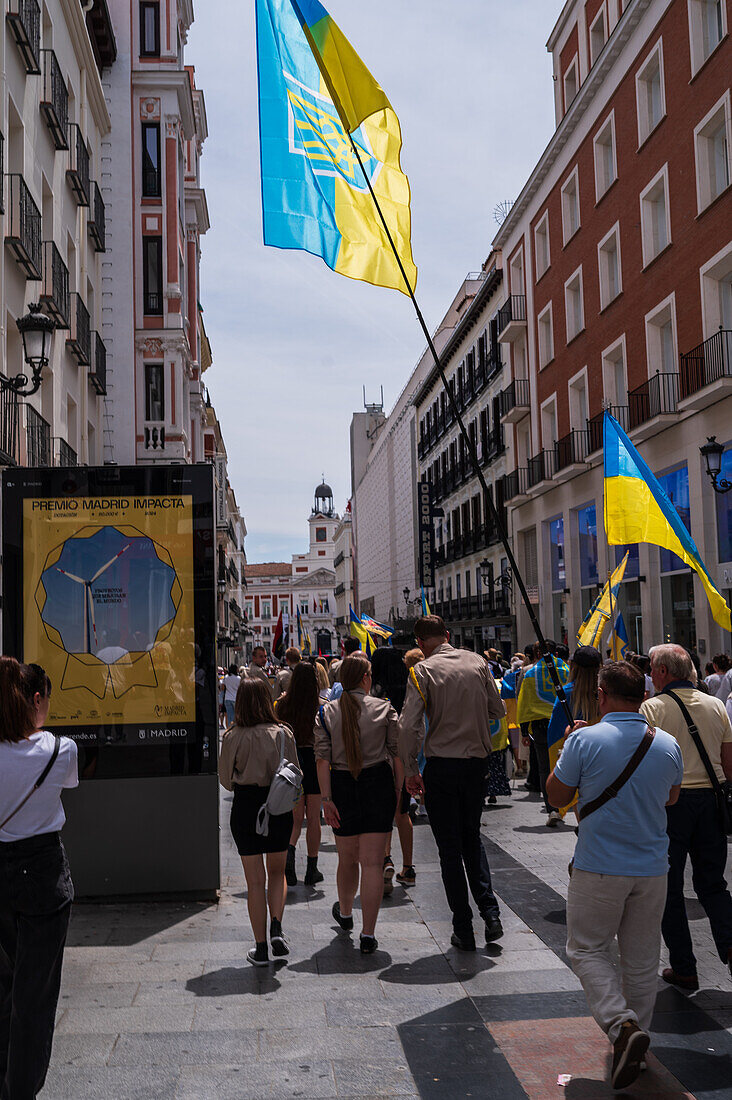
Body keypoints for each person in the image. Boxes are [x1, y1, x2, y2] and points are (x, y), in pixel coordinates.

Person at [546, 661, 683, 1091]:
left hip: (599, 866)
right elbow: (672, 798)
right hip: (652, 868)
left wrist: (569, 745)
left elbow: (556, 794)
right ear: (642, 696)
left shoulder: (584, 739)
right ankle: (634, 1049)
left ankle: (621, 1027)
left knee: (587, 949)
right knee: (642, 961)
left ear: (602, 695)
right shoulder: (667, 743)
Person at [398, 615, 505, 951]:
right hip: (476, 764)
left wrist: (411, 767)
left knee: (449, 849)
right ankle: (491, 914)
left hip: (441, 766)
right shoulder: (478, 662)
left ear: (420, 643)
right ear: (446, 635)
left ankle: (463, 926)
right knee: (472, 839)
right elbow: (498, 709)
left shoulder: (421, 672)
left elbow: (407, 726)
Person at [0, 658, 78, 1100]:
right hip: (43, 876)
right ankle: (22, 1090)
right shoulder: (58, 750)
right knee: (34, 998)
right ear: (35, 700)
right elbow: (65, 779)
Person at [640, 644, 732, 989]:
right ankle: (730, 943)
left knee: (669, 887)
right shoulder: (715, 705)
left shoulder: (652, 708)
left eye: (652, 667)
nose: (651, 673)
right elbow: (728, 764)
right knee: (713, 884)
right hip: (711, 801)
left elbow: (645, 762)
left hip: (670, 805)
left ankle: (684, 966)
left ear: (663, 672)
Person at [315, 654, 402, 954]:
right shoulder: (385, 708)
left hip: (341, 785)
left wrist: (326, 799)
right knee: (373, 863)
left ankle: (347, 914)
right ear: (366, 678)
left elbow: (322, 759)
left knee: (347, 858)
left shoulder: (327, 712)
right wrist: (399, 790)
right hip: (377, 782)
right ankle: (369, 934)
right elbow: (397, 752)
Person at [218, 678, 299, 966]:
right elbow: (295, 774)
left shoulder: (231, 736)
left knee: (254, 882)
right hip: (276, 806)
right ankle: (276, 926)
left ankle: (261, 947)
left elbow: (226, 782)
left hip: (246, 807)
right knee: (278, 874)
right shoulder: (283, 734)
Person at [276, 663, 324, 888]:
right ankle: (312, 869)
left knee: (295, 820)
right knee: (314, 819)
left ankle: (289, 861)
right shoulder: (321, 706)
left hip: (292, 763)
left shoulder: (283, 705)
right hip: (315, 762)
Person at [545, 646, 602, 823]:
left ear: (573, 666)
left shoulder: (566, 694)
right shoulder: (605, 693)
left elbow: (554, 736)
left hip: (577, 761)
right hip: (603, 759)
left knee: (583, 814)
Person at [517, 640, 570, 820]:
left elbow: (525, 702)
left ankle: (552, 808)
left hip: (541, 727)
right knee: (569, 764)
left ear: (538, 653)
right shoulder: (566, 671)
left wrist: (524, 730)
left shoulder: (531, 673)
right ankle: (568, 804)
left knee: (544, 768)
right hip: (564, 725)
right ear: (555, 652)